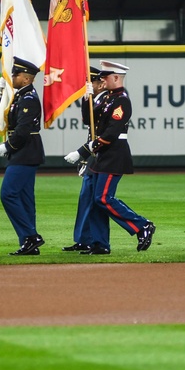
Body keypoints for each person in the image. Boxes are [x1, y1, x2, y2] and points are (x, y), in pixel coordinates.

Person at [64, 60, 156, 255]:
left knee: (103, 198)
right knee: (97, 200)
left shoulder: (122, 100)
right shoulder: (107, 99)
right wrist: (87, 98)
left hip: (114, 154)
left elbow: (111, 134)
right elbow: (89, 121)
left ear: (116, 78)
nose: (102, 80)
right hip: (102, 156)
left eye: (105, 77)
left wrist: (82, 151)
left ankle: (142, 225)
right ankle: (100, 243)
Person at [0, 57, 46, 256]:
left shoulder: (29, 99)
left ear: (26, 79)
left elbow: (23, 130)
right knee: (26, 199)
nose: (13, 77)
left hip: (25, 151)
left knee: (8, 193)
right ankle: (29, 243)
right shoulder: (19, 96)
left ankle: (30, 236)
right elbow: (6, 117)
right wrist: (0, 95)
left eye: (16, 75)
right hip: (24, 151)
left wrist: (9, 146)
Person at [62, 66, 110, 252]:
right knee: (85, 198)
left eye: (90, 83)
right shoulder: (94, 99)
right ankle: (83, 238)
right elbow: (87, 121)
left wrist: (84, 155)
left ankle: (94, 239)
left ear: (100, 83)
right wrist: (86, 100)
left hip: (100, 154)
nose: (87, 86)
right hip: (92, 155)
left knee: (95, 199)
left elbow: (96, 124)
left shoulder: (106, 100)